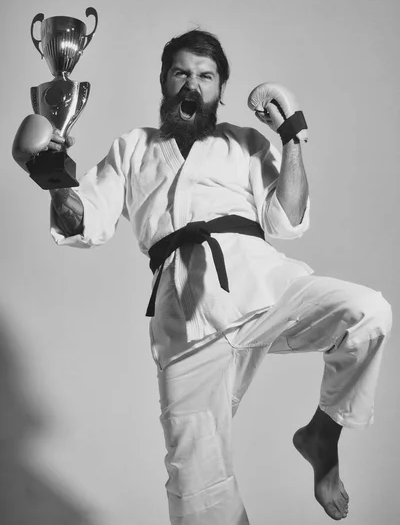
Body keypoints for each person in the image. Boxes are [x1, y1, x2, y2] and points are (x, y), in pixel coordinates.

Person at [15, 29, 392, 524]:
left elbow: (288, 220)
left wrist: (292, 135)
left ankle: (322, 434)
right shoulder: (133, 148)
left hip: (261, 287)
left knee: (368, 312)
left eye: (205, 76)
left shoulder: (246, 142)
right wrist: (53, 177)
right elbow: (83, 222)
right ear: (164, 82)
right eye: (181, 73)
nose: (192, 86)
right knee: (196, 494)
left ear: (219, 89)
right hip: (185, 321)